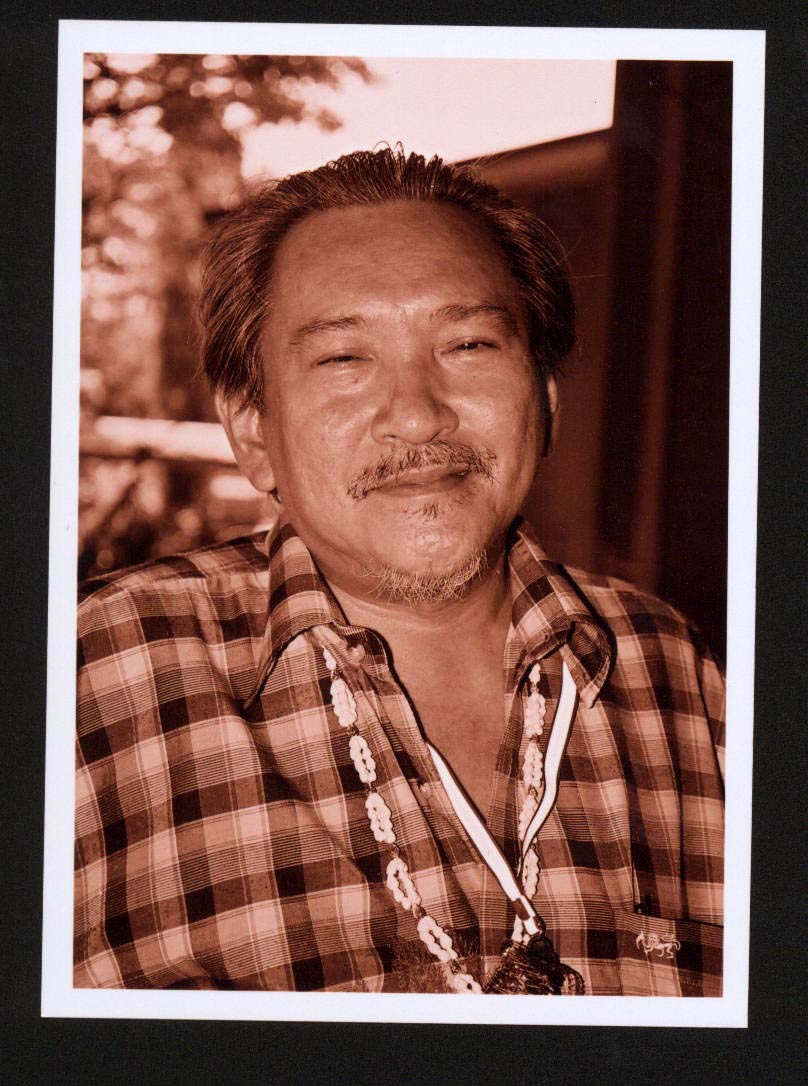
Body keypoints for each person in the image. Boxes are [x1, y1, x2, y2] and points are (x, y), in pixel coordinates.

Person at [74, 148, 724, 995]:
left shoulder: (683, 676)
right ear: (252, 431)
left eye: (469, 343)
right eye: (344, 359)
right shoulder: (91, 677)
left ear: (546, 398)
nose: (418, 415)